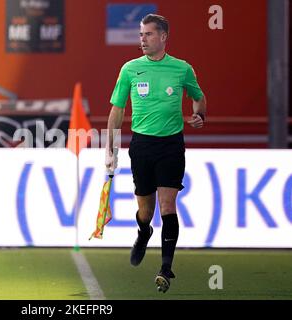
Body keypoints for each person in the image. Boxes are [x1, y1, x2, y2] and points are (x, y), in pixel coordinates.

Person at [105, 14, 206, 293]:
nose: (143, 40)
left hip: (171, 146)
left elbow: (199, 98)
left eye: (148, 34)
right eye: (141, 35)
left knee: (168, 206)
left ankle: (165, 268)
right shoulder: (130, 69)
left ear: (163, 37)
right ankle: (143, 233)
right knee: (146, 212)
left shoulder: (182, 69)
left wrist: (199, 115)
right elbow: (117, 110)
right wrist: (111, 148)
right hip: (142, 146)